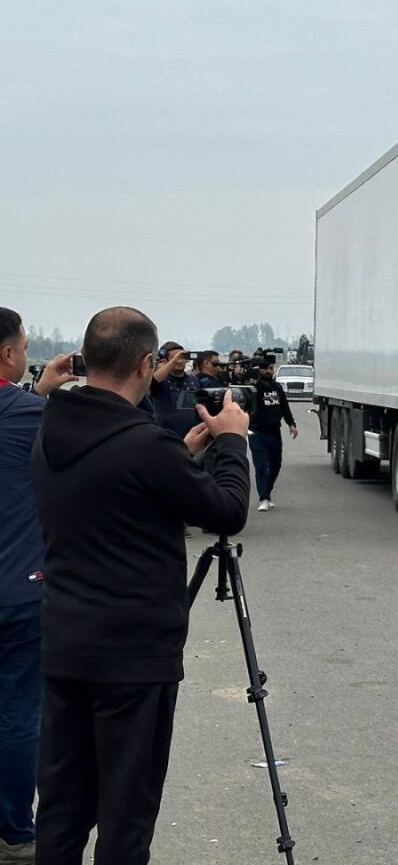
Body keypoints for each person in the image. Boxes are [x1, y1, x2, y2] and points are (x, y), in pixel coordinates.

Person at [31, 306, 251, 865]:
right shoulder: (145, 445)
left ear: (87, 358)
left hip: (65, 642)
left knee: (62, 806)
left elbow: (109, 484)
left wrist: (181, 457)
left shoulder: (53, 425)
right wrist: (231, 442)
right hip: (133, 656)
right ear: (145, 364)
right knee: (126, 813)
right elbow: (226, 512)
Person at [0, 309, 77, 863]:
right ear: (8, 354)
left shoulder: (29, 406)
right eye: (24, 347)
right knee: (19, 712)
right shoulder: (33, 416)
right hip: (18, 591)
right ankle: (13, 831)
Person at [249, 359, 299, 511]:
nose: (268, 371)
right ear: (258, 370)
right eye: (264, 368)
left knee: (275, 464)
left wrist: (291, 424)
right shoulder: (253, 389)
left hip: (274, 432)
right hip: (257, 432)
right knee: (261, 466)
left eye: (270, 368)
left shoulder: (277, 387)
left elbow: (284, 406)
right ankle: (263, 498)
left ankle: (267, 492)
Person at [149, 341, 198, 435]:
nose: (180, 361)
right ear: (166, 361)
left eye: (182, 357)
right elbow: (153, 382)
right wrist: (172, 362)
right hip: (166, 433)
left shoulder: (193, 380)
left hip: (190, 432)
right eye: (175, 358)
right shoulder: (162, 380)